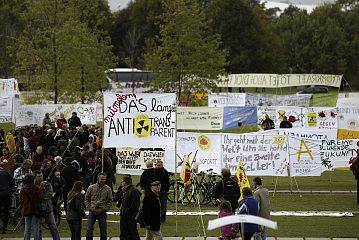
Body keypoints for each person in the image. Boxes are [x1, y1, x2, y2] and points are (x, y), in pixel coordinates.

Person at [85, 172, 113, 240]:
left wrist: (106, 209)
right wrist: (89, 207)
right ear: (98, 178)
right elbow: (87, 198)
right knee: (89, 229)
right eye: (102, 179)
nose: (103, 181)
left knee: (103, 231)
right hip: (92, 212)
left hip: (102, 212)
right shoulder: (91, 187)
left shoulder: (108, 189)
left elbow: (110, 200)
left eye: (104, 179)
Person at [34, 171, 60, 240]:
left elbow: (50, 194)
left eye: (41, 176)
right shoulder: (34, 185)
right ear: (36, 177)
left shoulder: (47, 184)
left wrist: (42, 196)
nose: (40, 178)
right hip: (38, 209)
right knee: (38, 227)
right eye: (38, 176)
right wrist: (40, 188)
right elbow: (34, 196)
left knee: (53, 226)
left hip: (48, 208)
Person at [20, 174, 43, 240]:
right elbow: (41, 198)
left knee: (27, 228)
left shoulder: (23, 189)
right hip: (35, 209)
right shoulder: (36, 188)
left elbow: (21, 200)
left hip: (26, 209)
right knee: (36, 227)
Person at [118, 175, 141, 240]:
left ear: (125, 182)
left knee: (133, 234)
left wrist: (126, 212)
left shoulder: (133, 191)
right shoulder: (126, 190)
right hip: (124, 217)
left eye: (122, 181)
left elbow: (135, 205)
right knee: (124, 234)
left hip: (130, 217)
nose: (121, 183)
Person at [0, 164, 15, 234]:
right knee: (7, 211)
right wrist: (11, 191)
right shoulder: (5, 172)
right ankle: (4, 228)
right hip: (7, 194)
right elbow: (12, 182)